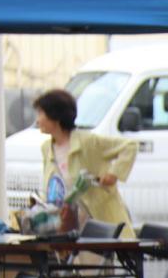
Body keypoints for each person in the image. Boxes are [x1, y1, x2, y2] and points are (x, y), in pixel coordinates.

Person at [34, 88, 138, 237]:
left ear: (55, 115)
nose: (37, 120)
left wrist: (113, 174)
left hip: (96, 226)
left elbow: (129, 146)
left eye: (40, 113)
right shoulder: (46, 148)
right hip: (65, 227)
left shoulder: (87, 142)